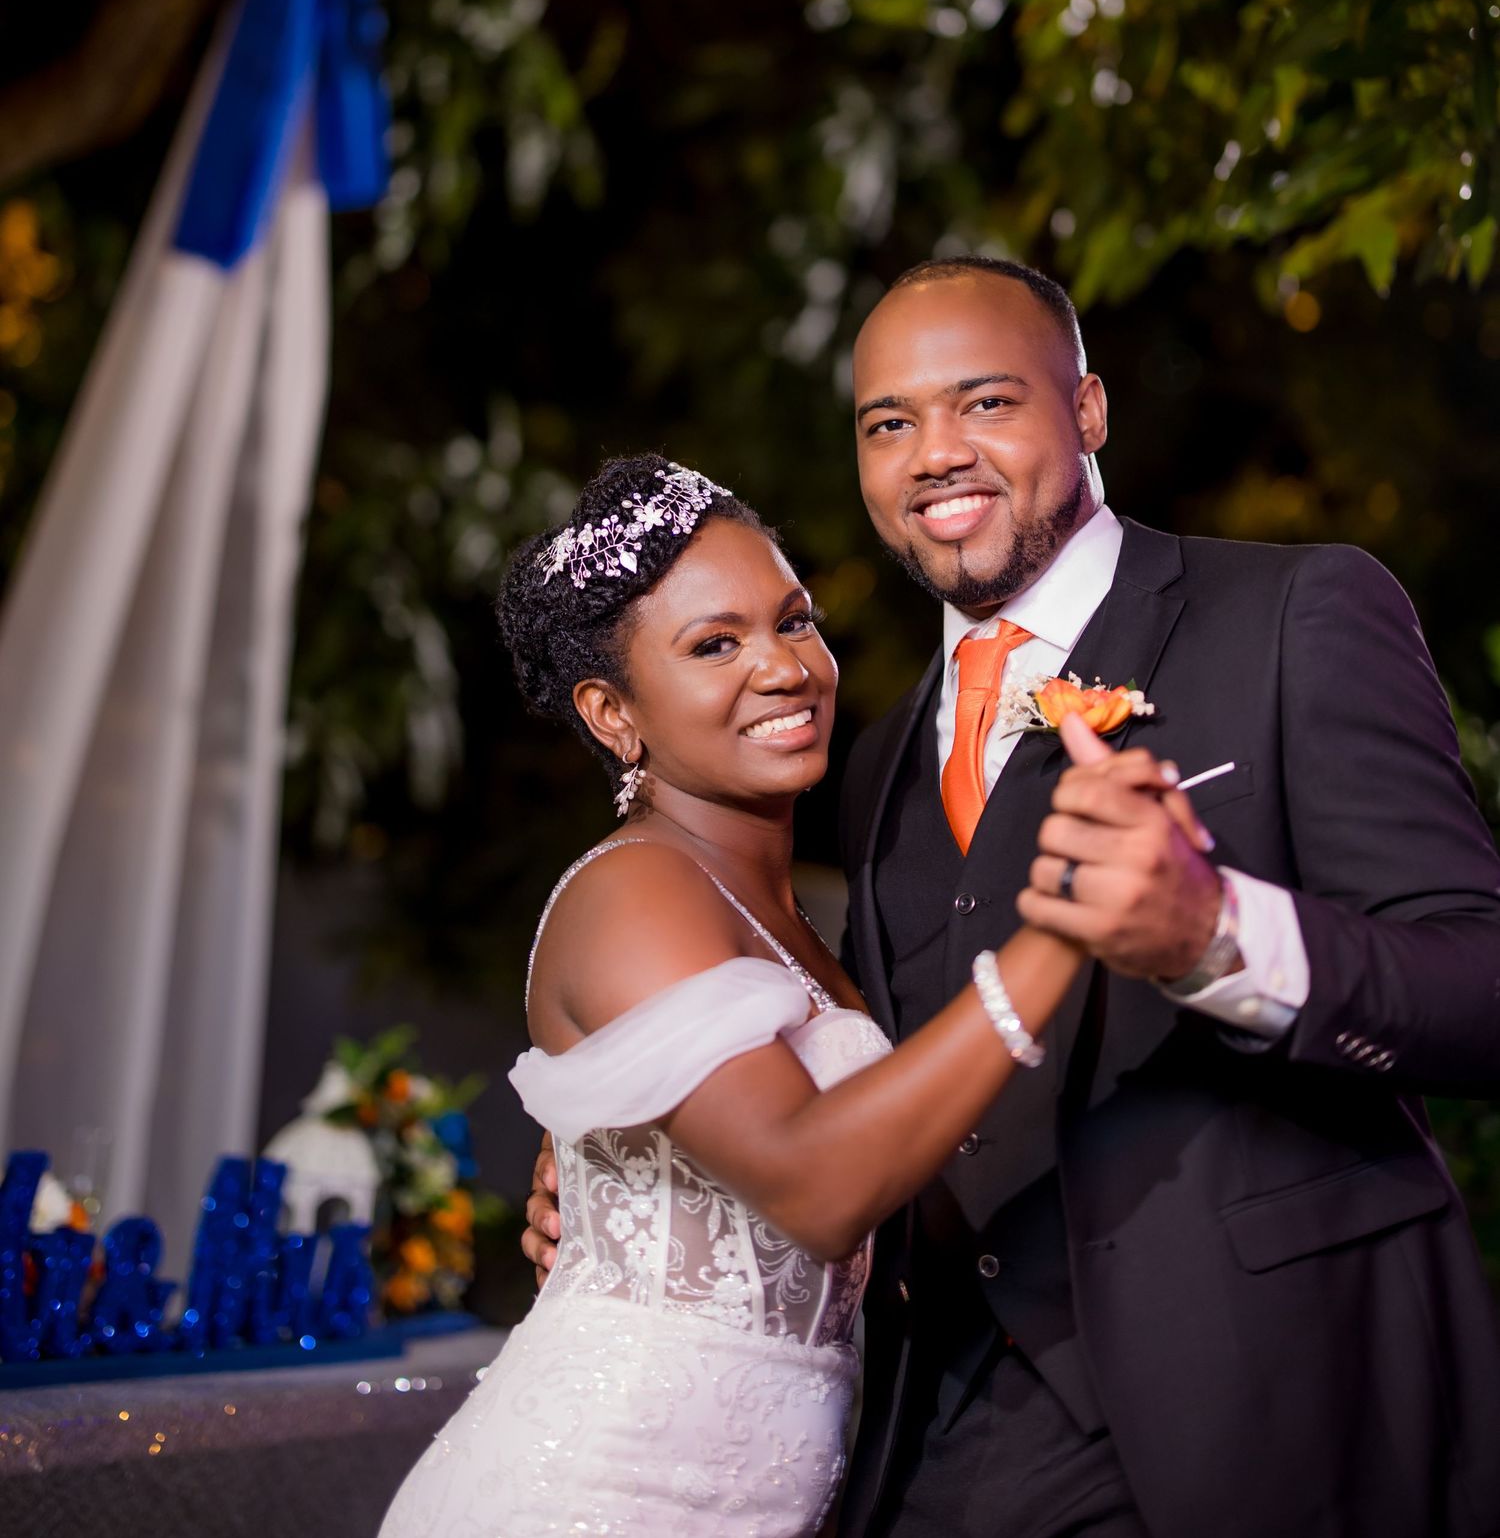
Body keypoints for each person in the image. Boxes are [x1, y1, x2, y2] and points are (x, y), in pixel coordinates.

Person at [526, 259, 1500, 1538]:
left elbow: (1480, 986)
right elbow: (862, 1069)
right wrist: (641, 1150)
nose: (936, 452)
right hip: (946, 1433)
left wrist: (1221, 936)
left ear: (1087, 410)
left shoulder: (1292, 615)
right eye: (890, 423)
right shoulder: (874, 761)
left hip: (1274, 1404)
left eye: (985, 401)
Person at [383, 453, 1181, 1538]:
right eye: (715, 645)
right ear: (612, 713)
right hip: (594, 1497)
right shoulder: (635, 891)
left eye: (794, 621)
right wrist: (1059, 937)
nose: (783, 667)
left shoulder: (800, 918)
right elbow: (816, 1184)